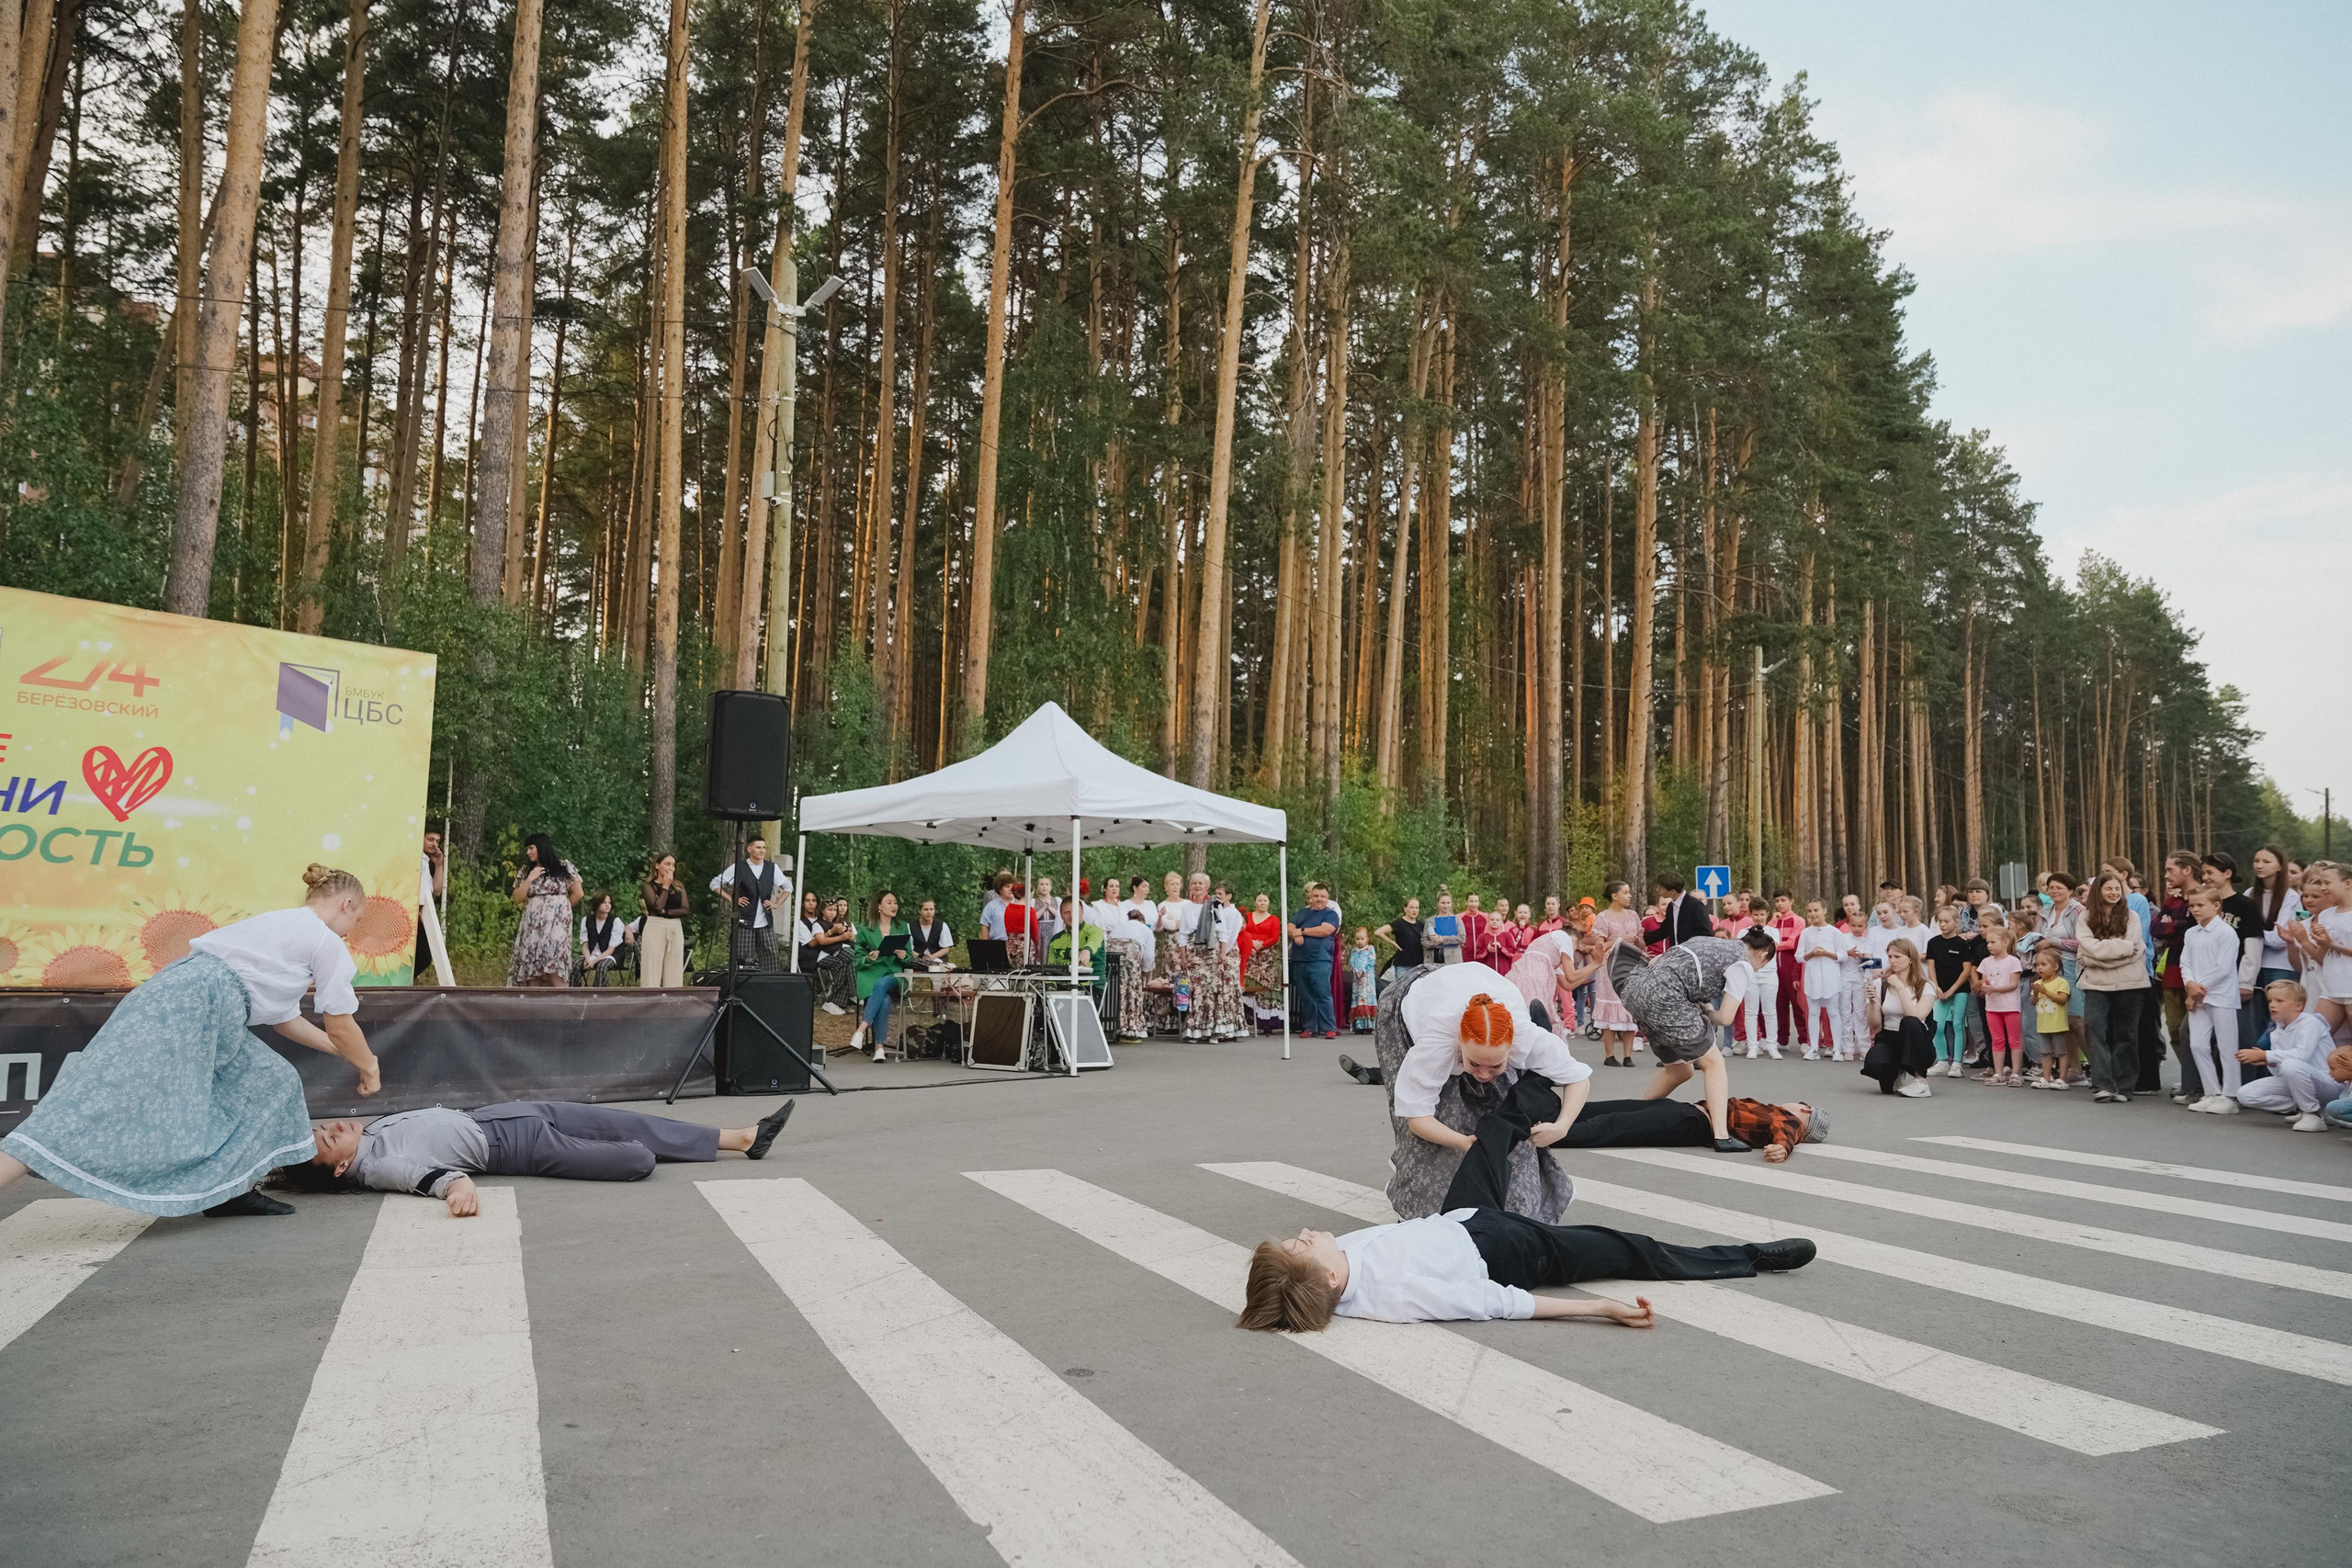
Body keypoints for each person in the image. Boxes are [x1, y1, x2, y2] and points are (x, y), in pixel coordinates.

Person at [0, 864, 382, 1218]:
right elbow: (340, 1024)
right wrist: (368, 1064)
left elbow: (286, 1020)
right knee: (90, 1102)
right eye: (358, 920)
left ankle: (226, 1191)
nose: (351, 931)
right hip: (192, 1007)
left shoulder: (283, 924)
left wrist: (345, 1054)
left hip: (195, 1003)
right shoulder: (323, 939)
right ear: (347, 904)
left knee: (272, 1081)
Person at [1238, 1156, 1815, 1333]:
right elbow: (1501, 1302)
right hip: (1513, 1250)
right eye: (1301, 1244)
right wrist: (1600, 1309)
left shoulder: (1335, 1262)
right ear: (1332, 1278)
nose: (1307, 1232)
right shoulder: (1397, 1296)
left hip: (1463, 1218)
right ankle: (1749, 1258)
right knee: (1630, 1247)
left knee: (1494, 1133)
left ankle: (1539, 1052)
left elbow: (1402, 1235)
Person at [1348, 963, 1592, 1223]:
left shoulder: (1525, 1036)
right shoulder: (1436, 1043)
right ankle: (1420, 1214)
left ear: (1510, 1048)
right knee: (1438, 1125)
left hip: (1475, 991)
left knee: (1500, 1110)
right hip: (1412, 998)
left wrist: (1562, 1126)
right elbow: (1417, 1118)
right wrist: (1461, 1142)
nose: (1485, 1074)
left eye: (1495, 1065)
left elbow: (1578, 1078)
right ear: (1460, 1044)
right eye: (1474, 1063)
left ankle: (1515, 1213)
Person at [296, 1099, 797, 1213]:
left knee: (632, 1122)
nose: (333, 1127)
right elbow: (422, 1176)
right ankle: (657, 1153)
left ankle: (742, 1138)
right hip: (519, 1147)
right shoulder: (376, 1166)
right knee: (636, 1160)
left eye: (323, 1128)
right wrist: (458, 1189)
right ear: (341, 1167)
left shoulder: (371, 1131)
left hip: (509, 1113)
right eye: (327, 1140)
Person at [1605, 931, 1773, 1150]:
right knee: (1714, 1063)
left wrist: (1701, 1009)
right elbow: (1725, 1018)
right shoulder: (1742, 965)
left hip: (1637, 991)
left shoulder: (1707, 941)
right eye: (1765, 965)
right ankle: (1721, 1136)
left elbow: (1661, 961)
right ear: (1764, 954)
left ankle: (1637, 1114)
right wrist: (1705, 1016)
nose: (1759, 969)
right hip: (1667, 999)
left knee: (1680, 1071)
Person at [1547, 1096, 1828, 1162]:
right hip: (1687, 1111)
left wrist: (1783, 1146)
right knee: (1609, 1111)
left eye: (1799, 1103)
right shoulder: (1777, 1113)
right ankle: (1544, 1117)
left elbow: (1786, 1130)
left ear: (1804, 1112)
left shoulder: (1790, 1120)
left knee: (1612, 1125)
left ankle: (1542, 1135)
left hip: (1692, 1122)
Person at [2076, 872, 2151, 1102]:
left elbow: (2135, 950)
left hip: (2131, 983)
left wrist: (2094, 958)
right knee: (2094, 1029)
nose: (2114, 892)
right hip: (2096, 984)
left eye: (2118, 888)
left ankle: (2124, 1086)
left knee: (2126, 1034)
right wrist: (2115, 950)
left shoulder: (2132, 916)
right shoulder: (2086, 918)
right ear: (2098, 891)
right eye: (2109, 888)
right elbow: (2087, 946)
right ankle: (2103, 1084)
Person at [2234, 980, 2338, 1130]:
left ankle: (2313, 1114)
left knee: (2292, 1065)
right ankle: (2305, 1107)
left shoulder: (2310, 1022)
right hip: (2299, 1080)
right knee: (2245, 1094)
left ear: (2298, 1006)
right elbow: (2280, 1073)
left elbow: (2301, 1056)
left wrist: (2266, 1055)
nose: (2272, 1005)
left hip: (2328, 1083)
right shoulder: (2276, 1032)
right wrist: (2270, 1062)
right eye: (2270, 1001)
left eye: (2279, 1001)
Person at [2278, 860, 2352, 1045]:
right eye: (2321, 883)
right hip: (2331, 989)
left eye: (2327, 883)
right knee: (2315, 1039)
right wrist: (2302, 941)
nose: (2324, 888)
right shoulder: (2327, 916)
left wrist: (2332, 944)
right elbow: (2321, 957)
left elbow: (2332, 946)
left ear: (2348, 884)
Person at [847, 890, 917, 1061]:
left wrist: (904, 956)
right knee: (883, 998)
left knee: (882, 984)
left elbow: (909, 958)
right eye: (889, 902)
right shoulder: (864, 929)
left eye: (895, 902)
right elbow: (857, 961)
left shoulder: (902, 927)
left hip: (895, 974)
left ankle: (861, 1029)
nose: (894, 906)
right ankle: (880, 1047)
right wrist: (869, 959)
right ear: (879, 906)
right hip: (872, 973)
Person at [1862, 939, 1937, 1097]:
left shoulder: (1926, 986)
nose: (1892, 961)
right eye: (1889, 957)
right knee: (1877, 1068)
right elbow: (1874, 1025)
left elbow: (1916, 1016)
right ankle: (1898, 1072)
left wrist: (1900, 987)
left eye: (1897, 956)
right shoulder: (1880, 984)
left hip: (1917, 1042)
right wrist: (1871, 1001)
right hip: (1889, 1038)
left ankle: (1921, 1081)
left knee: (1909, 1021)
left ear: (1910, 959)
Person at [2245, 845, 2302, 1047]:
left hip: (2282, 967)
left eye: (2266, 861)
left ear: (2280, 866)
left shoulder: (2291, 897)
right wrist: (2261, 934)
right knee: (2257, 1023)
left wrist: (2254, 933)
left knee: (2278, 1023)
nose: (2259, 866)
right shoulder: (2250, 893)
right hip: (2255, 966)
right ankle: (2260, 1074)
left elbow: (2280, 940)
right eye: (2256, 861)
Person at [509, 835, 583, 987]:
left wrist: (562, 910)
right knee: (532, 964)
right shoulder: (525, 871)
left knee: (554, 961)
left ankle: (561, 1003)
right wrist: (530, 878)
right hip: (533, 926)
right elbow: (517, 898)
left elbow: (578, 893)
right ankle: (533, 1005)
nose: (528, 852)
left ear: (541, 847)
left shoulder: (563, 866)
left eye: (531, 848)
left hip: (556, 927)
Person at [711, 837, 789, 973]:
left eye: (764, 848)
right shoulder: (738, 867)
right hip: (745, 920)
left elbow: (788, 887)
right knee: (743, 960)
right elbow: (715, 884)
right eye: (758, 847)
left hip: (765, 922)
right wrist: (732, 899)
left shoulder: (772, 868)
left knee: (771, 958)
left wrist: (777, 904)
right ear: (749, 849)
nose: (762, 851)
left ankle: (770, 990)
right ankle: (743, 990)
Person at [1589, 881, 1645, 1066]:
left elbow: (1641, 943)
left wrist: (1638, 942)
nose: (1629, 896)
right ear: (1615, 896)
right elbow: (1599, 946)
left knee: (1629, 1008)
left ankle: (1628, 1055)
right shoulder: (1603, 917)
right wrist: (1618, 940)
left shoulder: (1633, 915)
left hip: (1632, 964)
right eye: (1626, 892)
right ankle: (1609, 1055)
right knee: (1611, 1010)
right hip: (1610, 966)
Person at [1922, 905, 1980, 1077]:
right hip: (1940, 990)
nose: (1943, 924)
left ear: (1956, 922)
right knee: (1937, 1025)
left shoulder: (1962, 944)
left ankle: (1956, 1063)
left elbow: (1966, 969)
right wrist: (1936, 986)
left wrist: (1953, 989)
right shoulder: (1933, 943)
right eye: (1940, 921)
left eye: (1947, 921)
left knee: (1957, 1024)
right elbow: (1931, 967)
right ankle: (1942, 1061)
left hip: (1959, 990)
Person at [1793, 901, 1856, 1062]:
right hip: (1812, 978)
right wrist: (1812, 954)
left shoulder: (1834, 932)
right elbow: (1799, 956)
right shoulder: (1806, 933)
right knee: (1813, 1013)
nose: (1813, 914)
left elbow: (1843, 955)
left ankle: (1837, 1049)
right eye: (1809, 911)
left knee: (1833, 1013)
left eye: (1816, 910)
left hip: (1831, 978)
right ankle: (1814, 1048)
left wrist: (1827, 953)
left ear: (1824, 910)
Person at [1289, 883, 1343, 1037]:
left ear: (1327, 898)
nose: (1319, 899)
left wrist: (1302, 931)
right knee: (1305, 995)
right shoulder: (1301, 913)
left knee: (1322, 993)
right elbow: (1289, 927)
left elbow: (1326, 930)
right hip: (1299, 959)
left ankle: (1329, 1028)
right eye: (1316, 896)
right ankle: (1310, 1027)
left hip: (1320, 960)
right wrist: (1296, 933)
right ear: (1310, 897)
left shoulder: (1330, 914)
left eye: (1322, 896)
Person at [1977, 925, 2026, 1085]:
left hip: (2010, 1007)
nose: (1989, 945)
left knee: (2014, 1039)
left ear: (2005, 942)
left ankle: (2016, 1073)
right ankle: (1999, 1073)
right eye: (1988, 942)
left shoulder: (2013, 961)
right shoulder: (1985, 962)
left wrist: (1993, 988)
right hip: (1992, 1008)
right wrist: (1984, 988)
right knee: (1997, 1039)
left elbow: (2013, 984)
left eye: (1993, 942)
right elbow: (1985, 982)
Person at [639, 853, 691, 987]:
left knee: (674, 969)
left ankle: (672, 1003)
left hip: (675, 927)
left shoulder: (679, 886)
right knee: (652, 969)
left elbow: (685, 909)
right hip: (655, 926)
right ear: (657, 866)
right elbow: (656, 906)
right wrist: (666, 887)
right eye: (667, 864)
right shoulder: (648, 886)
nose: (671, 868)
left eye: (673, 865)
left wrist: (666, 912)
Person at [2027, 945, 2075, 1090]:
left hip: (2058, 1024)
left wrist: (2045, 991)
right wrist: (2036, 993)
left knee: (2061, 1051)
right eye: (2037, 965)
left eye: (2043, 964)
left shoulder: (2061, 982)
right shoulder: (2038, 983)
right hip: (2043, 1024)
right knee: (2045, 1052)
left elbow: (2062, 999)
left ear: (2055, 966)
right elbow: (2033, 1002)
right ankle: (2046, 1078)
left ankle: (2062, 1079)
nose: (2039, 968)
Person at [413, 829, 447, 986]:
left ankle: (405, 982)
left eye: (437, 841)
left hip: (420, 914)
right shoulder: (416, 860)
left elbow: (437, 890)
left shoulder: (426, 862)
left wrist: (438, 865)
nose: (434, 844)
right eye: (430, 839)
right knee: (424, 954)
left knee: (422, 955)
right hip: (414, 914)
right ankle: (404, 982)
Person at [1237, 892, 1285, 999]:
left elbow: (1274, 937)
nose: (1262, 903)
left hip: (1266, 954)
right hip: (1247, 949)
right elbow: (1240, 929)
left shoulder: (1274, 919)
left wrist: (1261, 945)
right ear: (1255, 903)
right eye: (1259, 900)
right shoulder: (1247, 916)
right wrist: (1252, 943)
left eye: (1265, 901)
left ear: (1269, 903)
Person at [578, 891, 631, 985]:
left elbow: (611, 949)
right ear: (597, 904)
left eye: (609, 903)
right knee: (576, 964)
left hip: (612, 956)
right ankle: (573, 994)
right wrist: (588, 959)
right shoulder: (586, 920)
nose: (607, 905)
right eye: (604, 902)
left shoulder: (615, 921)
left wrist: (594, 961)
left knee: (602, 966)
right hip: (592, 954)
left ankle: (600, 995)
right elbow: (585, 945)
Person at [1656, 874, 1712, 947]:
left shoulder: (1695, 905)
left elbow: (1705, 932)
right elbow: (1663, 931)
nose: (1657, 890)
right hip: (1676, 953)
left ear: (1672, 891)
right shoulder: (1671, 907)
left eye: (1660, 888)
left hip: (1692, 953)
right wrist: (1641, 938)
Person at [1348, 929, 1380, 1031]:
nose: (1360, 941)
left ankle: (1369, 1024)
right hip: (1357, 978)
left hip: (1367, 978)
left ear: (1367, 939)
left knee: (1367, 997)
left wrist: (1363, 970)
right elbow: (1352, 961)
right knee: (1358, 997)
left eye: (1362, 939)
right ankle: (1358, 1024)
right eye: (1358, 939)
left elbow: (1372, 960)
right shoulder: (1354, 951)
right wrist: (1356, 970)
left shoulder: (1370, 949)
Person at [1424, 890, 1465, 965]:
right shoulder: (1430, 921)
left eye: (1448, 903)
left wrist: (1443, 939)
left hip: (1453, 960)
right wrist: (1435, 943)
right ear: (1437, 903)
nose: (1446, 906)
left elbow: (1462, 938)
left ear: (1451, 904)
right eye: (1443, 903)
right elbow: (1424, 941)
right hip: (1434, 960)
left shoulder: (1457, 919)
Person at [910, 897, 956, 964]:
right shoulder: (910, 926)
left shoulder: (942, 926)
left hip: (938, 962)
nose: (929, 912)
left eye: (931, 909)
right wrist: (921, 957)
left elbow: (945, 949)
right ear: (920, 911)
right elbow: (909, 949)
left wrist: (931, 957)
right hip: (917, 962)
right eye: (926, 909)